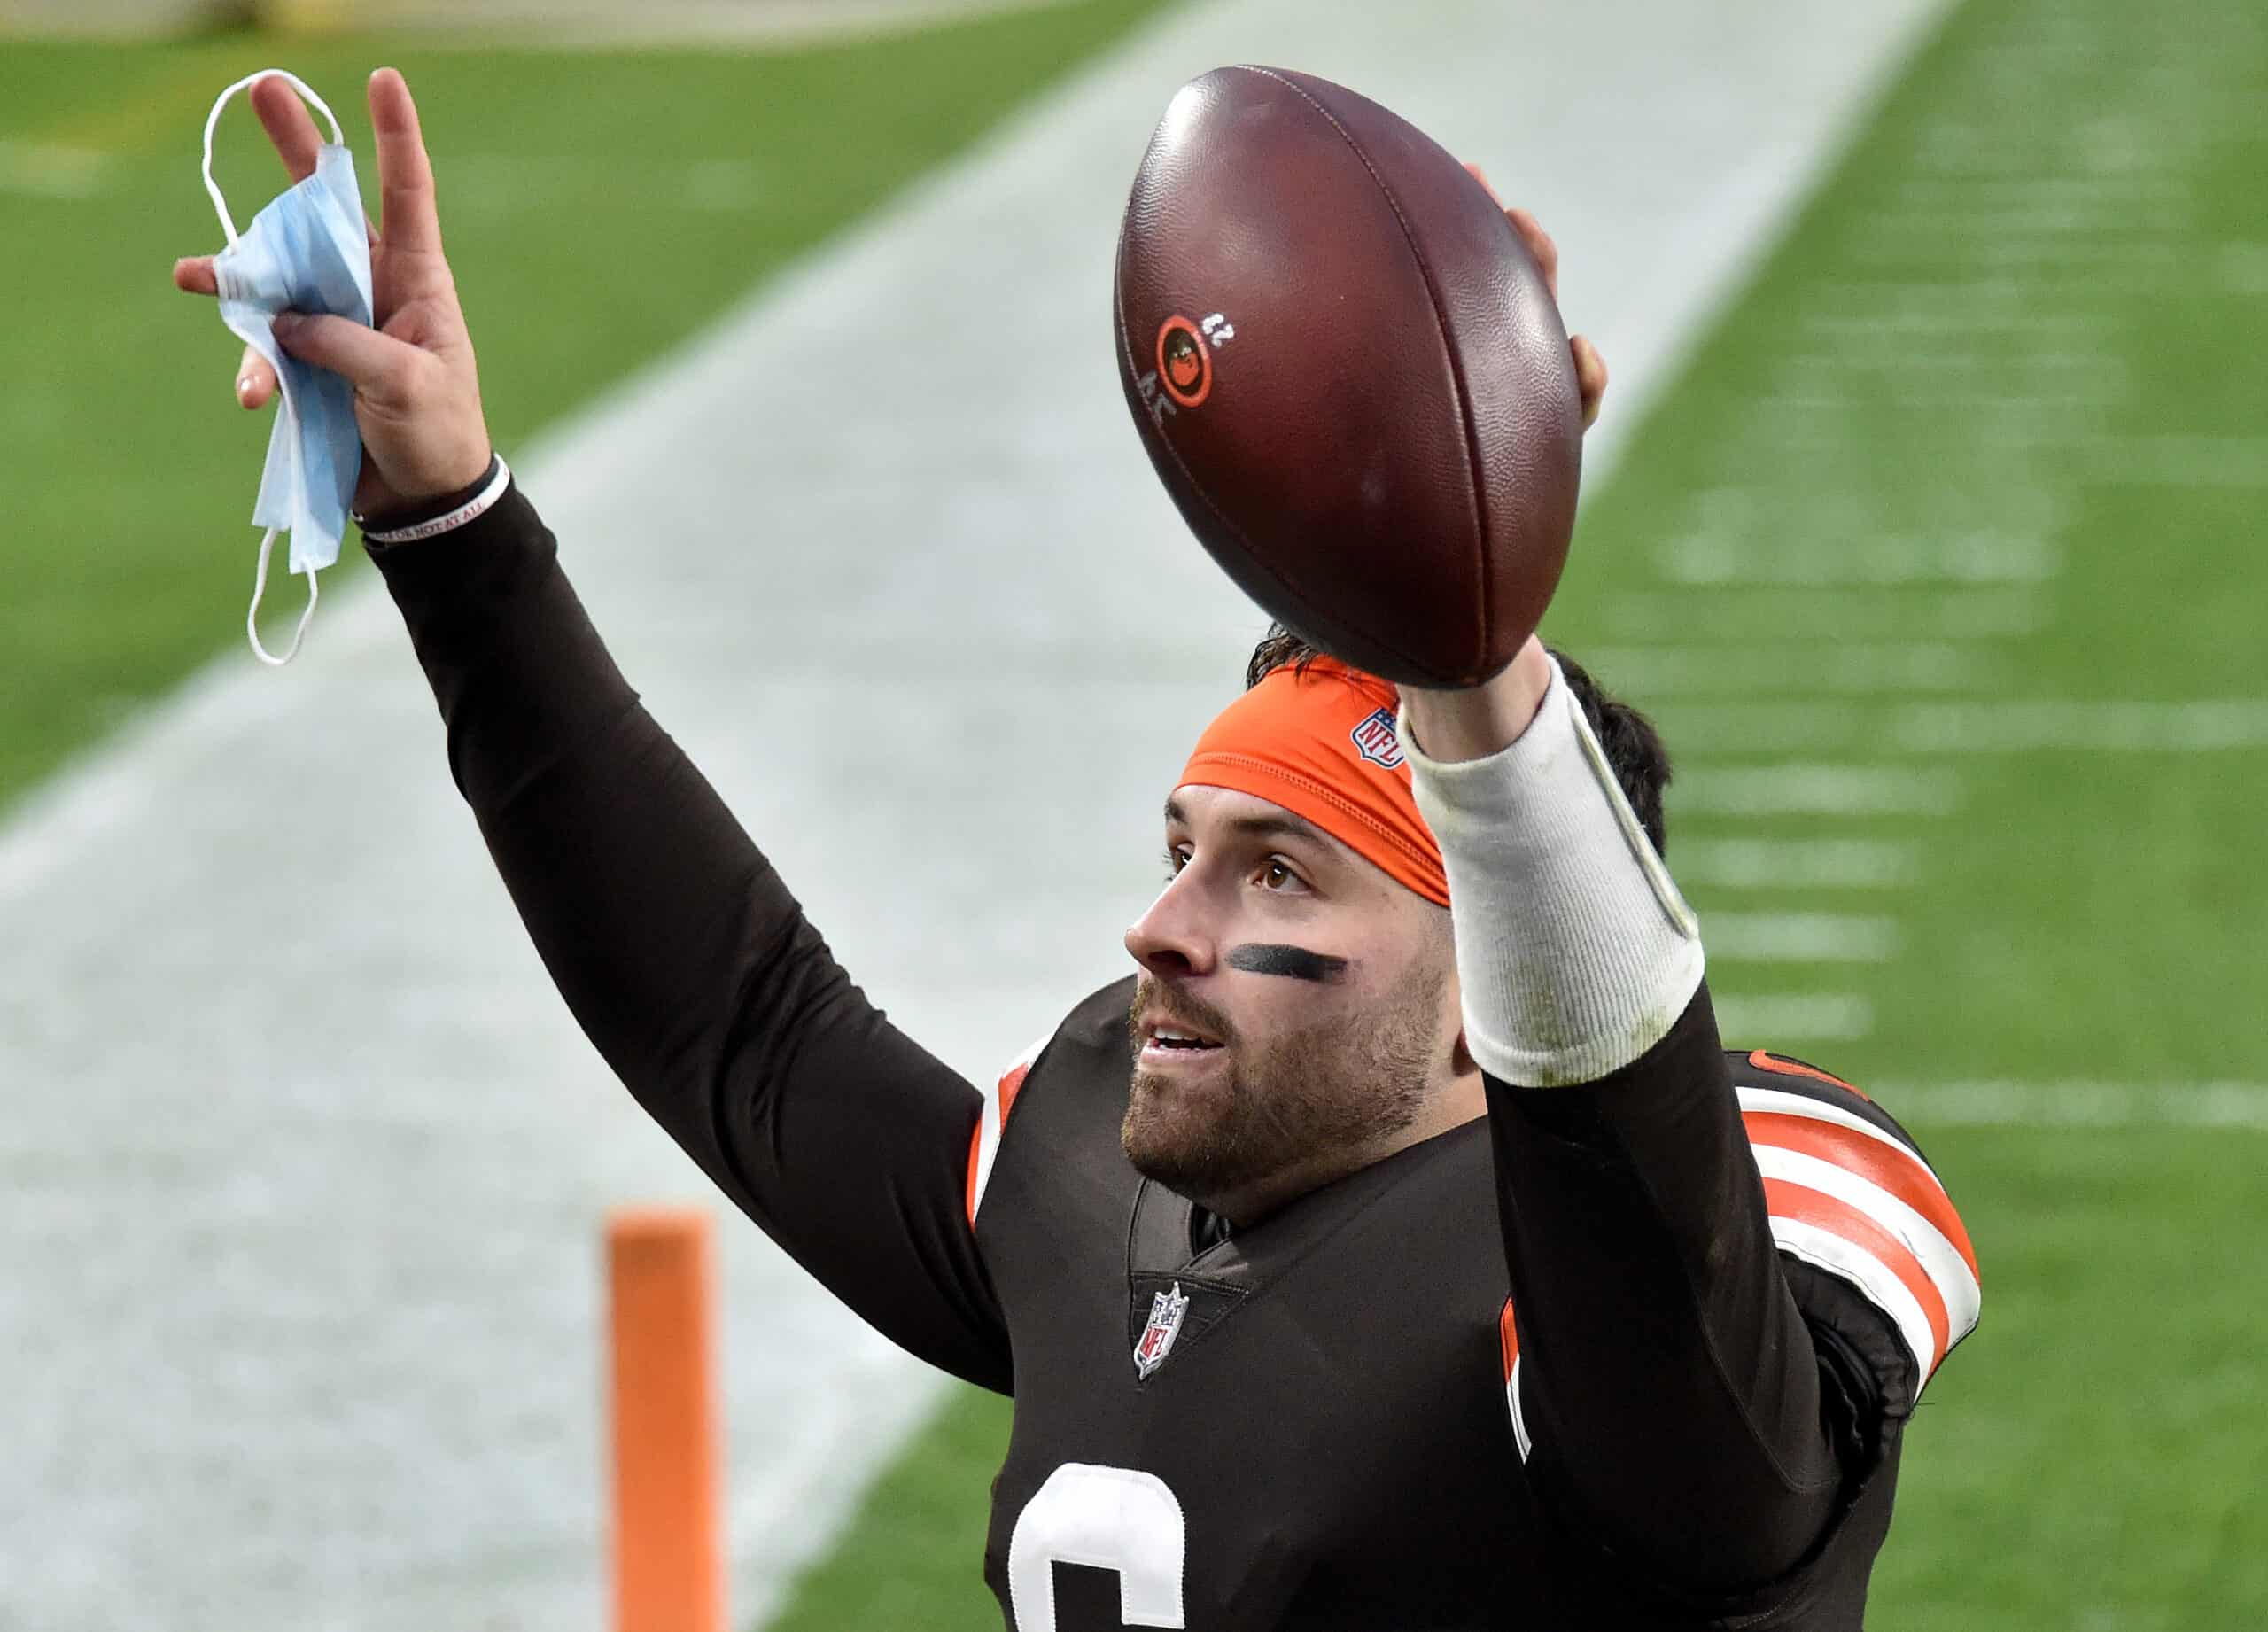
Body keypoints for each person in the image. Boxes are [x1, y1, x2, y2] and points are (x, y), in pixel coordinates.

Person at [175, 69, 1980, 1631]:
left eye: (1279, 871)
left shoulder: (1705, 1242)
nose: (1161, 928)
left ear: (1482, 980)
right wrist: (451, 523)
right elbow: (740, 1030)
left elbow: (1646, 1234)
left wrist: (1477, 672)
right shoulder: (1097, 1166)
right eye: (1184, 846)